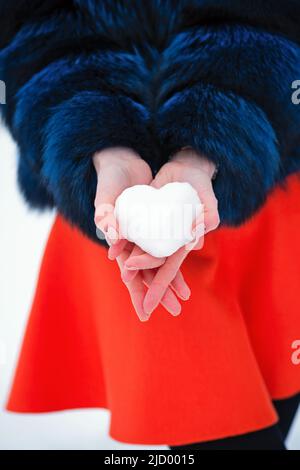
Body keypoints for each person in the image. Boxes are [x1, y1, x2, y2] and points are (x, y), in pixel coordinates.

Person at [1, 0, 299, 450]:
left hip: (267, 188)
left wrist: (214, 140)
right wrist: (100, 141)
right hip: (118, 215)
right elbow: (27, 34)